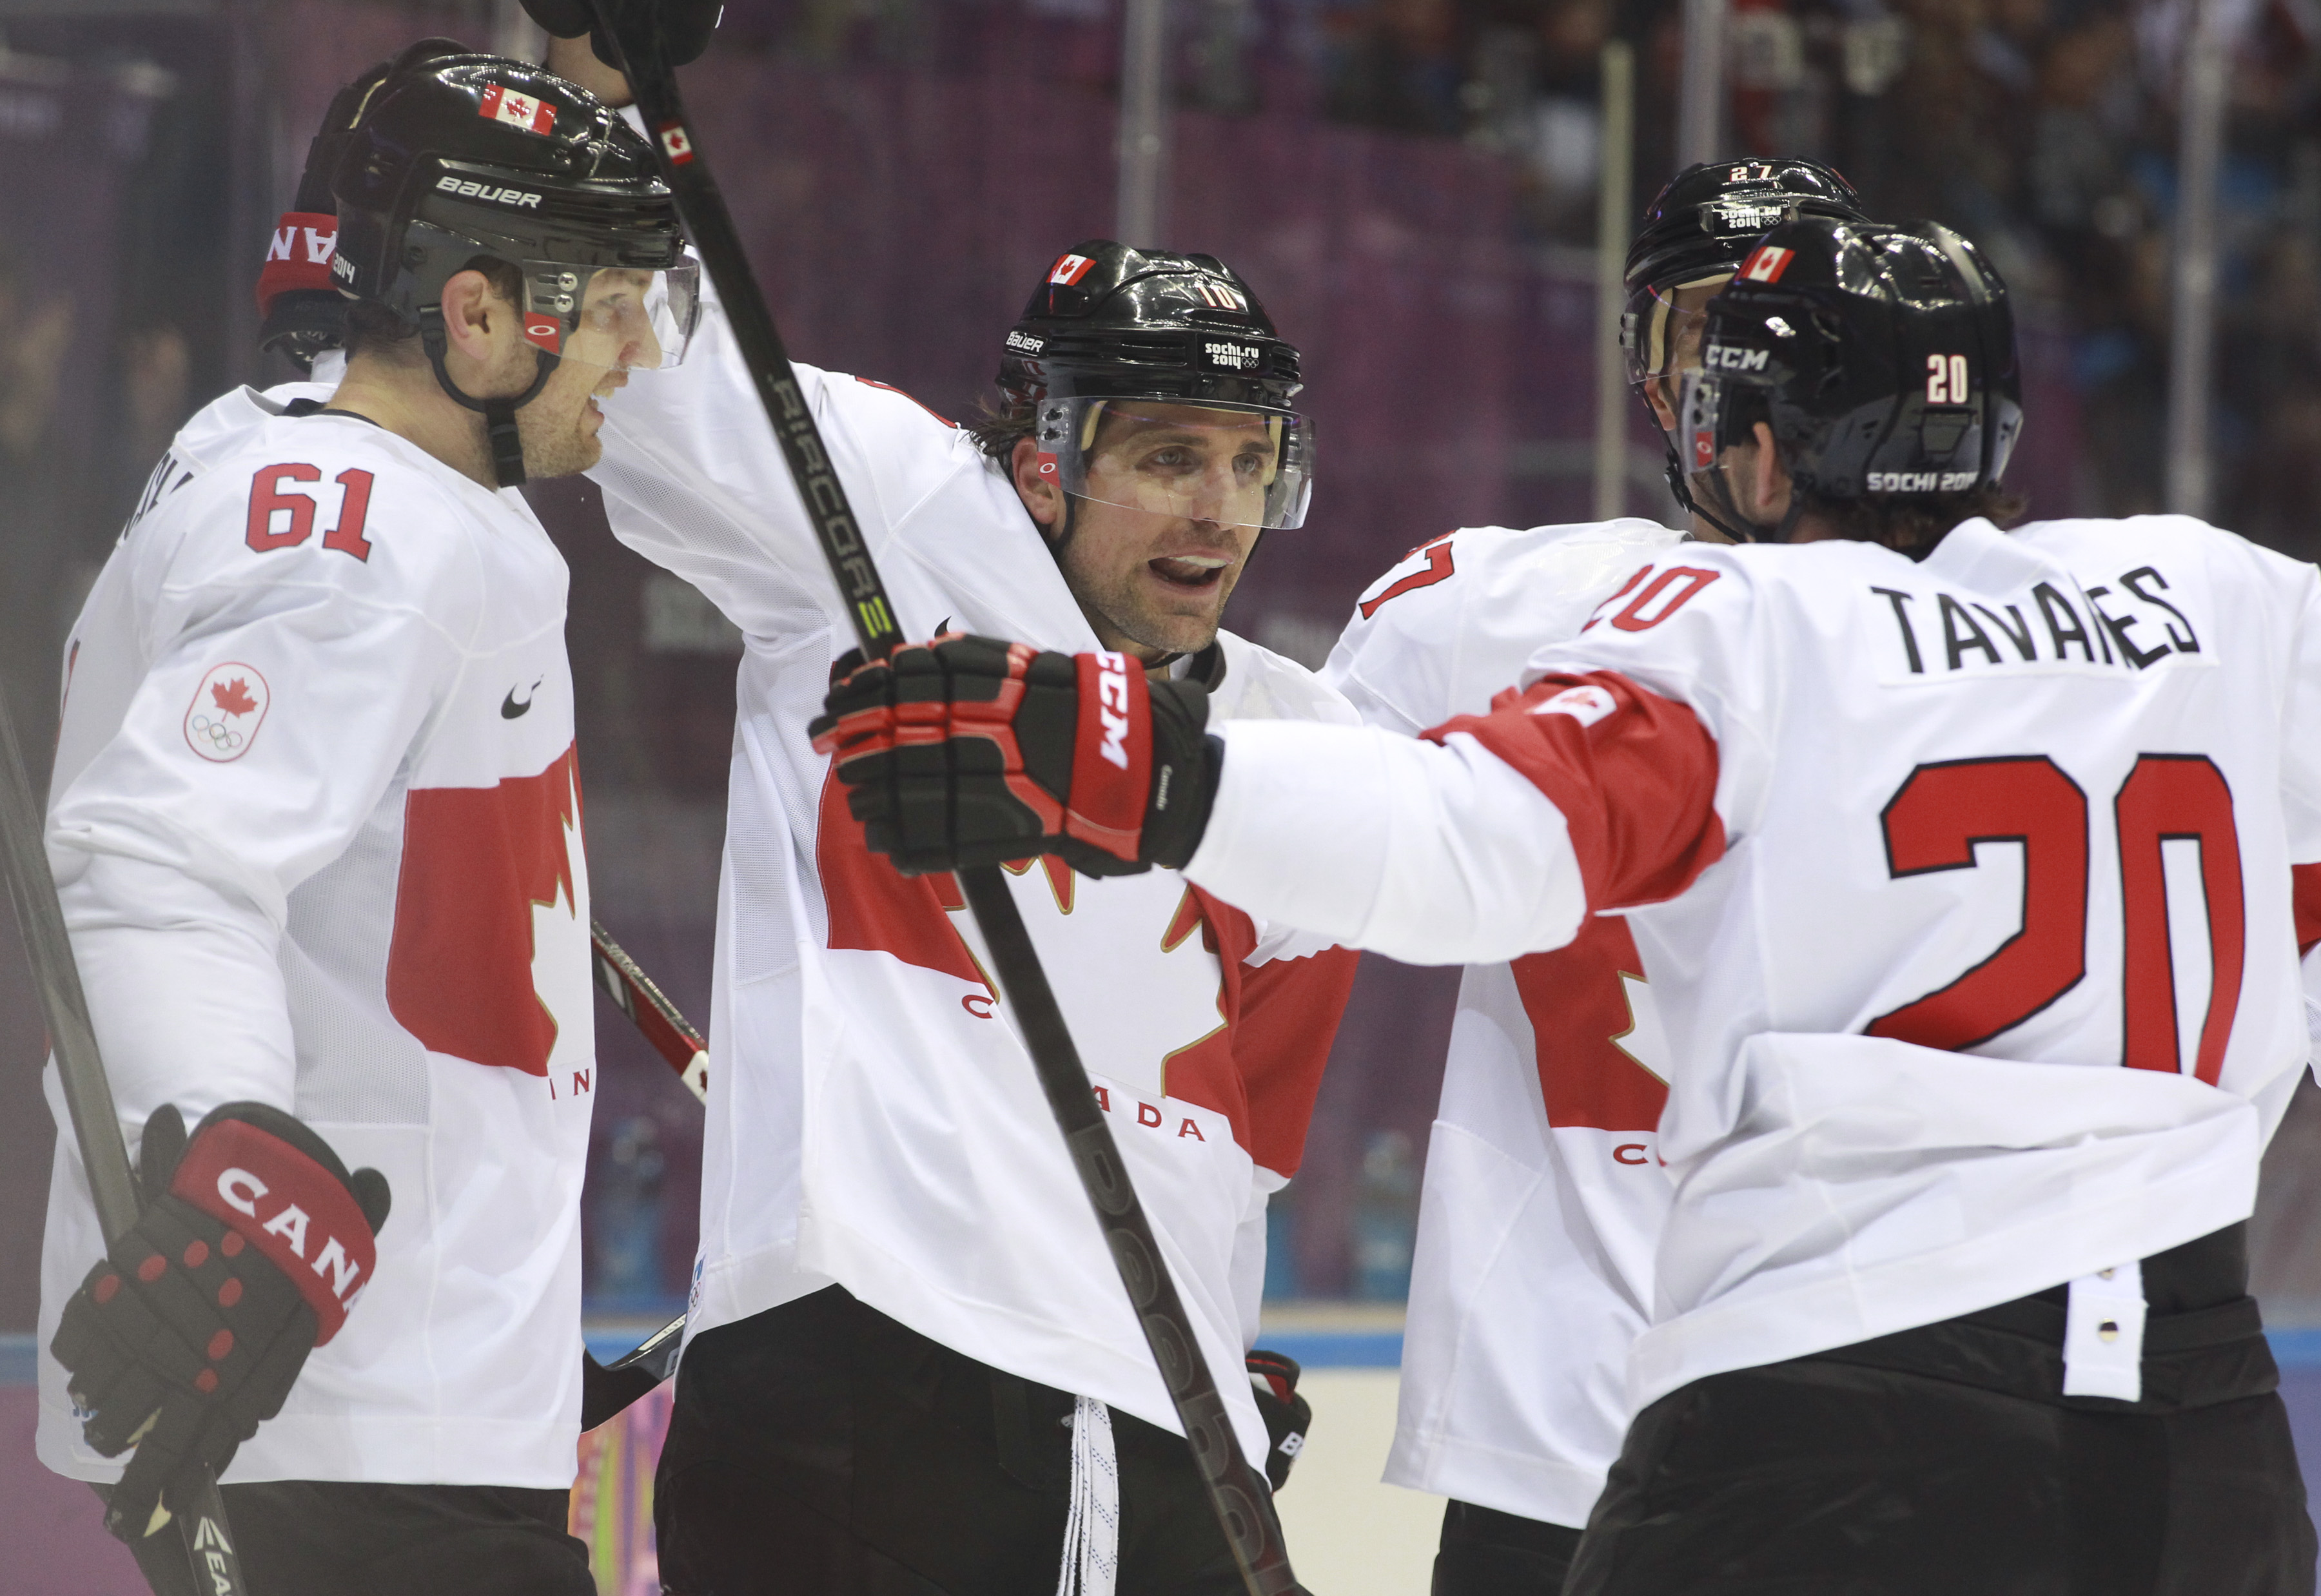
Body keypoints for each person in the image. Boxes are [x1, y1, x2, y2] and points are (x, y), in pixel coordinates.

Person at [820, 213, 2321, 1594]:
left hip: (1847, 1403)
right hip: (2206, 1430)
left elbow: (1480, 843)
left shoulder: (1742, 625)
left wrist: (1120, 764)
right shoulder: (2225, 598)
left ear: (1747, 446)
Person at [534, 35, 1358, 1595]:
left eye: (1252, 463)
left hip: (1166, 1426)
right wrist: (599, 74)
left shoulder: (1291, 746)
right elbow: (639, 353)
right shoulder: (893, 514)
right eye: (1170, 456)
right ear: (1043, 455)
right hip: (866, 1378)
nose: (1219, 511)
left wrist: (1219, 1366)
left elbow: (1235, 1158)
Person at [36, 44, 696, 1593]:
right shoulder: (361, 531)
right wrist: (229, 1175)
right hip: (325, 1408)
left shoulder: (387, 491)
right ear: (475, 315)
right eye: (606, 309)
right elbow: (156, 867)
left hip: (411, 1396)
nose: (637, 358)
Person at [1322, 158, 1866, 1593]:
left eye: (1793, 323)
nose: (1747, 370)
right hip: (1556, 1428)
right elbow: (1257, 915)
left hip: (1874, 1420)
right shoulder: (1471, 611)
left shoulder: (1978, 642)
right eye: (1710, 327)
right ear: (1643, 360)